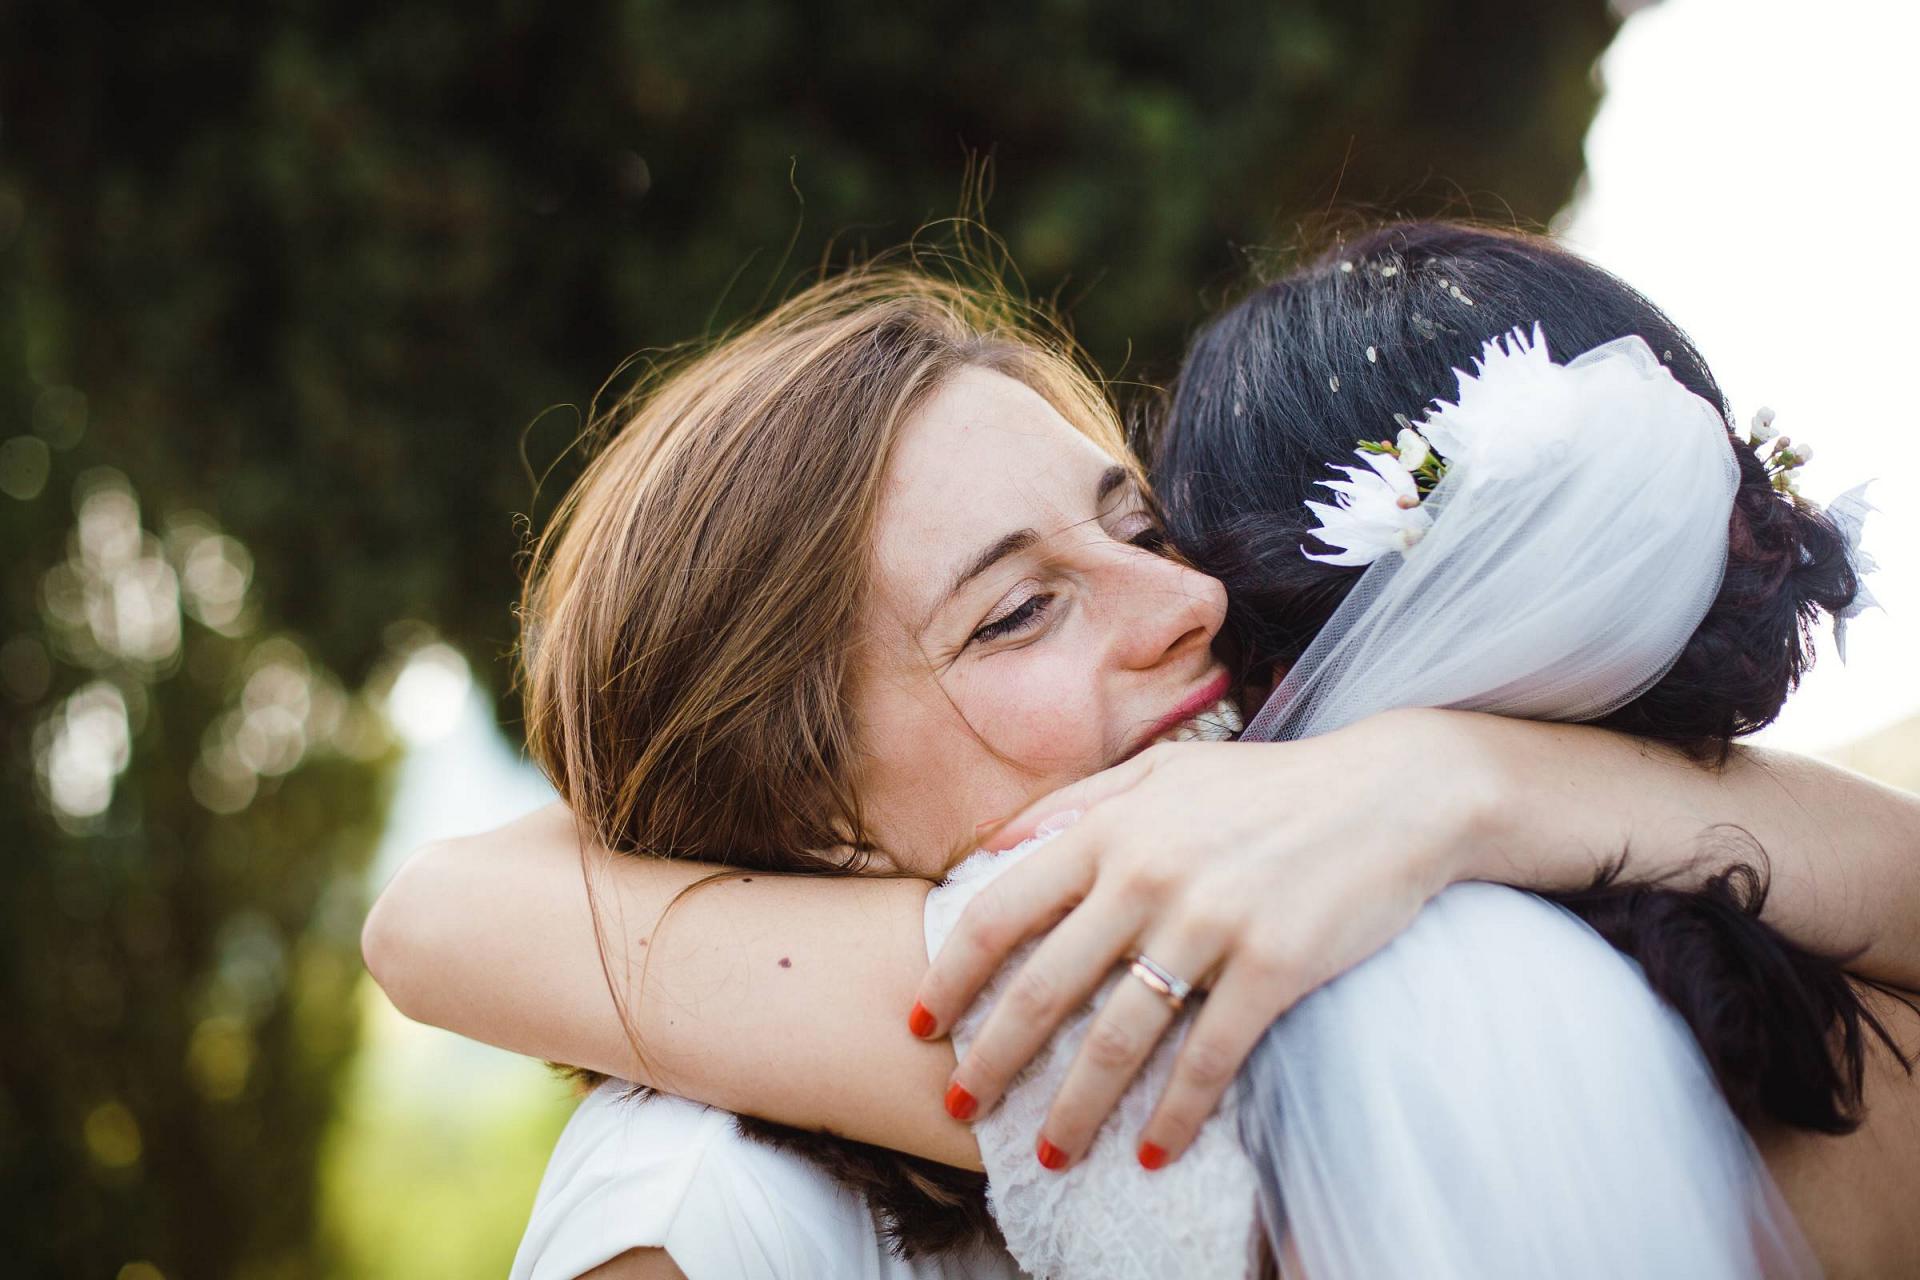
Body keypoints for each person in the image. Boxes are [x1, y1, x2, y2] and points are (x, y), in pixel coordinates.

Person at [363, 229, 1920, 1277]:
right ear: (806, 807)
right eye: (1021, 611)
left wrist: (1458, 787)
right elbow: (428, 918)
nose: (1189, 601)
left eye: (1137, 525)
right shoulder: (704, 1212)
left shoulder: (1582, 977)